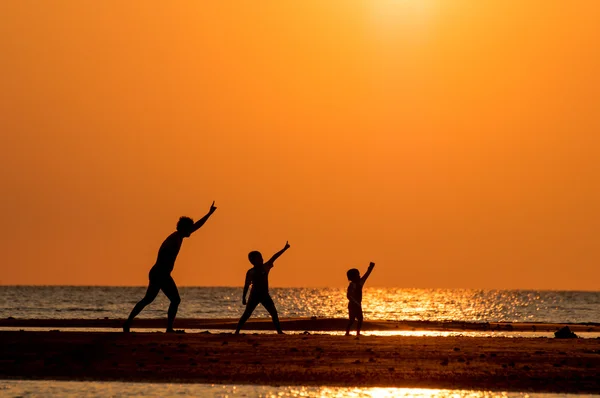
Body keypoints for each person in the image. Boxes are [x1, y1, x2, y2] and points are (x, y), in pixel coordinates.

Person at [123, 201, 217, 333]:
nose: (191, 231)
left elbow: (197, 226)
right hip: (160, 273)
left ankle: (128, 323)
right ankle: (168, 328)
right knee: (174, 299)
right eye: (189, 229)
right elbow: (163, 254)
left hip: (160, 273)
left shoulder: (179, 236)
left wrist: (209, 213)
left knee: (149, 299)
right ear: (184, 229)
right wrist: (164, 273)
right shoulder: (173, 239)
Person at [234, 241, 290, 334]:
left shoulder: (265, 267)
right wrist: (243, 297)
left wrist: (284, 249)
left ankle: (279, 331)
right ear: (253, 261)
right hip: (254, 296)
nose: (262, 259)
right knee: (247, 314)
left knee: (274, 313)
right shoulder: (251, 272)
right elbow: (246, 285)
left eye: (261, 257)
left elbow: (274, 257)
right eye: (259, 258)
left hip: (264, 295)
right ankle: (237, 331)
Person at [345, 262, 375, 338]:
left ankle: (358, 333)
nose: (359, 276)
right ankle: (347, 332)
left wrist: (370, 268)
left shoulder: (360, 283)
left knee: (360, 319)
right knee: (351, 320)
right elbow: (348, 296)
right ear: (352, 278)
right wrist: (355, 302)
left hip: (358, 305)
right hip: (352, 305)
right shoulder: (351, 285)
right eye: (357, 275)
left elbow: (367, 275)